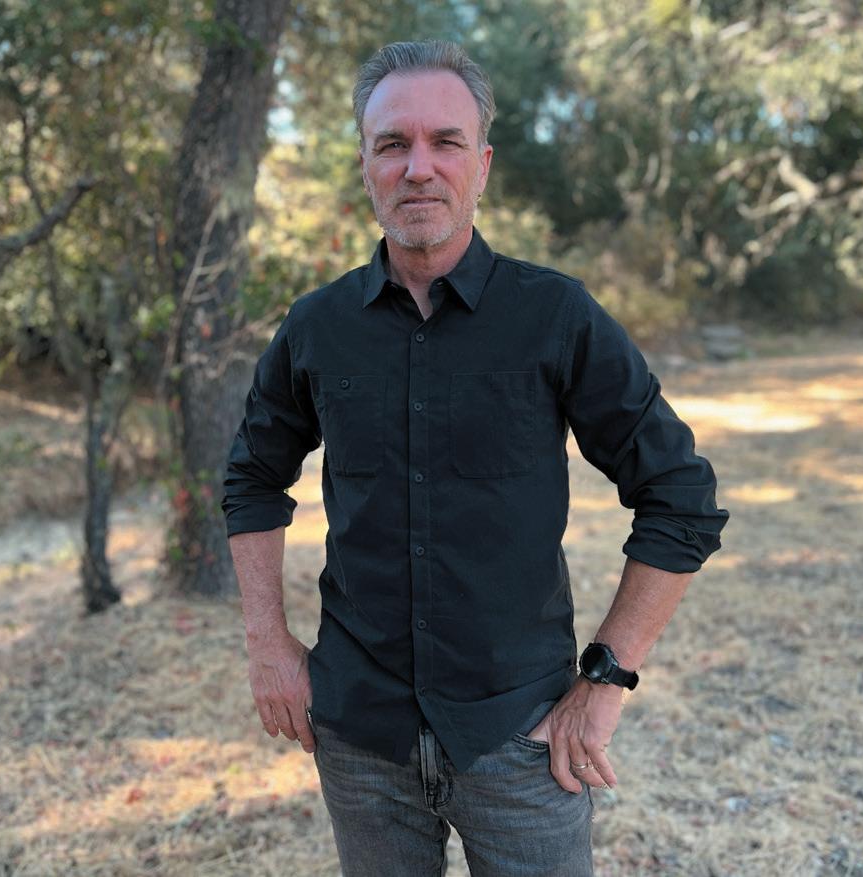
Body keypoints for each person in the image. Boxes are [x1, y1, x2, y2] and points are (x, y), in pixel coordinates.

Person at [222, 39, 729, 877]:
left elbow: (680, 497)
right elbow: (252, 476)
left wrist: (605, 679)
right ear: (365, 165)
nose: (418, 167)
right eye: (393, 144)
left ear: (482, 164)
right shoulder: (317, 326)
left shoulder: (557, 316)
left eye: (445, 142)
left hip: (522, 736)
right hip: (360, 737)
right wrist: (267, 644)